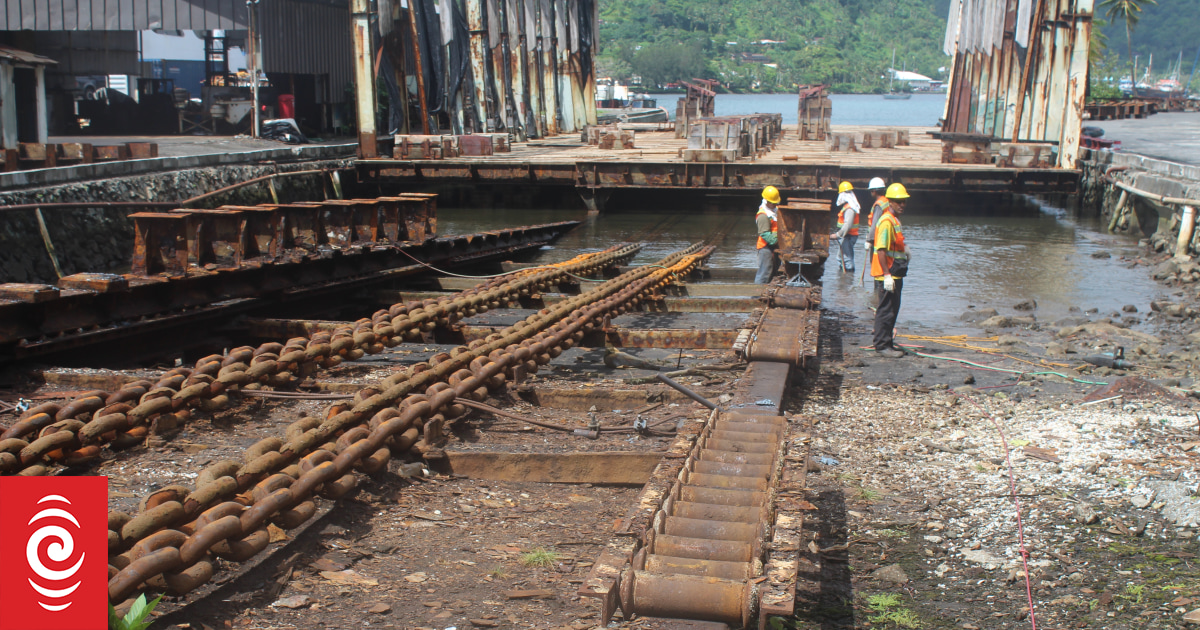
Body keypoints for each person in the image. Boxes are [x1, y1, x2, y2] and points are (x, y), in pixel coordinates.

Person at [871, 183, 912, 358]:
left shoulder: (894, 220)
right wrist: (887, 275)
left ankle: (887, 343)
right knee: (886, 310)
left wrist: (906, 251)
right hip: (888, 274)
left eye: (903, 201)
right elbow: (881, 249)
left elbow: (894, 246)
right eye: (898, 201)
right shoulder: (887, 221)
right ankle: (881, 346)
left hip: (895, 272)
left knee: (893, 309)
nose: (902, 204)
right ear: (890, 201)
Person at [861, 177, 888, 277]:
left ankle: (877, 289)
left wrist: (869, 240)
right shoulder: (886, 201)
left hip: (877, 239)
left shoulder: (879, 205)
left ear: (874, 191)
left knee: (877, 266)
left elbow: (875, 223)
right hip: (884, 237)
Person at [755, 185, 781, 284]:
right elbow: (766, 235)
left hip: (774, 248)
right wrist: (779, 237)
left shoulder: (775, 211)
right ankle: (757, 295)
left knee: (773, 274)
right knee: (764, 274)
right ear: (766, 201)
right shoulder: (763, 215)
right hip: (766, 248)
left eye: (776, 203)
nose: (775, 205)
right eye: (772, 203)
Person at [832, 181, 860, 272]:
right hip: (847, 236)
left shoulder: (849, 208)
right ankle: (843, 281)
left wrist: (837, 235)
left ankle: (848, 279)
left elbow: (847, 225)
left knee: (847, 261)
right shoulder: (848, 206)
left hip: (847, 236)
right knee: (840, 258)